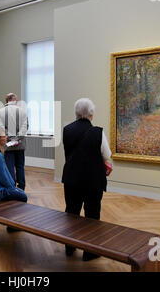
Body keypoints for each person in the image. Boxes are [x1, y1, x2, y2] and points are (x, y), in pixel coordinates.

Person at [61, 98, 112, 261]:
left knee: (71, 211)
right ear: (91, 113)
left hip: (71, 178)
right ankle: (90, 252)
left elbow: (69, 151)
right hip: (92, 180)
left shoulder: (66, 129)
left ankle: (70, 246)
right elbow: (106, 155)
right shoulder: (98, 132)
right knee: (92, 214)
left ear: (76, 113)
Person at [0, 93, 29, 191]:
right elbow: (25, 126)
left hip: (7, 143)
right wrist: (17, 138)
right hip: (20, 144)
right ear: (14, 100)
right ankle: (21, 187)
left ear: (6, 100)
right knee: (20, 166)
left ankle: (12, 187)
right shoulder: (22, 111)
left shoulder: (0, 112)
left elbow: (1, 128)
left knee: (9, 166)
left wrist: (10, 139)